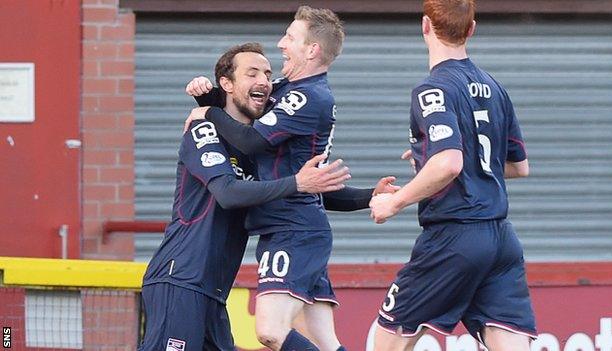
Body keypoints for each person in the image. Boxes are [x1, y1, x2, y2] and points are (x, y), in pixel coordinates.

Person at [184, 6, 399, 351]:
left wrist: (206, 113)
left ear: (312, 50)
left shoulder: (306, 96)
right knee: (325, 342)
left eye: (290, 37)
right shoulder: (286, 89)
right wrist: (208, 97)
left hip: (293, 232)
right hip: (299, 227)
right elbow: (313, 186)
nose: (281, 44)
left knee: (270, 331)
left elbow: (250, 140)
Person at [138, 43, 351, 351]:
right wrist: (297, 182)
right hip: (180, 280)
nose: (263, 81)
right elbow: (228, 193)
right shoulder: (203, 131)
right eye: (251, 73)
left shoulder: (254, 150)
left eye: (267, 73)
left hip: (214, 291)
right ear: (227, 84)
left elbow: (309, 189)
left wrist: (375, 198)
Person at [368, 1, 536, 350]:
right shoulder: (494, 88)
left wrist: (394, 202)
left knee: (385, 341)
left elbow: (449, 163)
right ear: (471, 29)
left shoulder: (433, 90)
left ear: (425, 25)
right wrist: (430, 164)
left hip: (454, 236)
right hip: (501, 240)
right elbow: (518, 166)